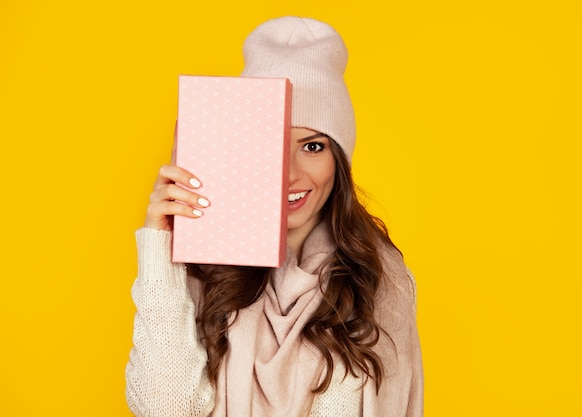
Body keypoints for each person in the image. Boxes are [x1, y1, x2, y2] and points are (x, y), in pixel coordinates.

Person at [125, 16, 423, 417]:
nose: (289, 173)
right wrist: (159, 251)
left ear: (340, 159)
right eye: (273, 143)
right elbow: (166, 409)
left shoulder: (378, 277)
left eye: (312, 146)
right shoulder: (203, 260)